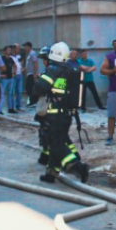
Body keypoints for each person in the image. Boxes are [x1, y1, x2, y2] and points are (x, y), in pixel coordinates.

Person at [33, 41, 90, 184]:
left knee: (56, 145)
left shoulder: (53, 70)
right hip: (67, 114)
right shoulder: (70, 70)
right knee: (57, 141)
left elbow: (39, 88)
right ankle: (51, 174)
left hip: (54, 115)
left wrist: (36, 82)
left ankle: (78, 167)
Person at [1, 45, 17, 113]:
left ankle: (10, 108)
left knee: (10, 94)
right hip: (4, 79)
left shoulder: (11, 59)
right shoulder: (2, 58)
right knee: (2, 94)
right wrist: (0, 75)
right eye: (8, 50)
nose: (9, 51)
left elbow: (15, 66)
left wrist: (14, 73)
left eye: (10, 50)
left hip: (11, 78)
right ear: (5, 51)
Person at [12, 43, 24, 112]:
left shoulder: (19, 56)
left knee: (19, 91)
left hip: (20, 75)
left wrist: (21, 68)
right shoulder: (10, 56)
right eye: (17, 48)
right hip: (14, 75)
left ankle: (18, 106)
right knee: (13, 91)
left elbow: (21, 62)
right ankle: (12, 106)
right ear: (14, 49)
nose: (18, 49)